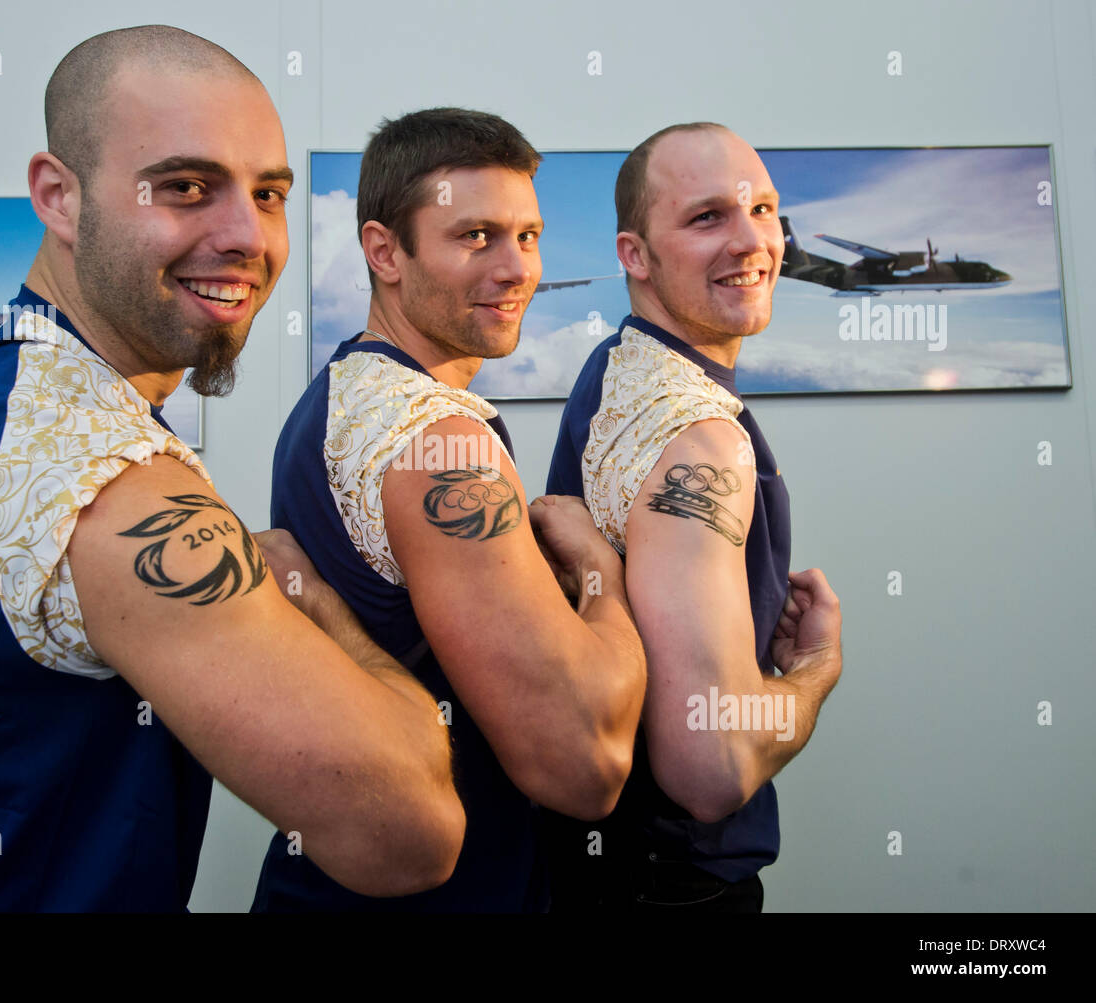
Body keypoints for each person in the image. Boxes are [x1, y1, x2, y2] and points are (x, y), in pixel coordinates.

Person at [0, 25, 464, 912]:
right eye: (187, 186)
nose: (248, 235)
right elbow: (411, 832)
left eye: (270, 193)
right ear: (59, 196)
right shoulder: (105, 477)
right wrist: (317, 603)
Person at [252, 107, 648, 912]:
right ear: (383, 251)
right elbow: (582, 764)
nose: (517, 269)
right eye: (476, 237)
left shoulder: (337, 395)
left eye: (528, 236)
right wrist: (602, 571)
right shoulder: (439, 439)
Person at [544, 122, 843, 912]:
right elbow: (709, 764)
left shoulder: (618, 365)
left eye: (763, 210)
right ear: (634, 255)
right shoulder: (701, 439)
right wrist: (816, 671)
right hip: (672, 887)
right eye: (707, 217)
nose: (753, 240)